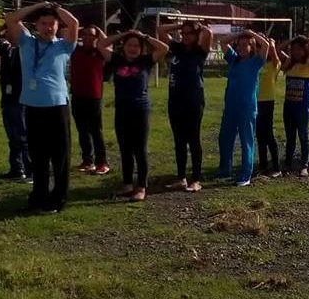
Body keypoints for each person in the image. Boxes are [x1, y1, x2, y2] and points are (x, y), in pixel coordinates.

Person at [5, 2, 78, 213]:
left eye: (52, 24)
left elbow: (73, 23)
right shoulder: (27, 43)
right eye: (44, 23)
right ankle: (39, 198)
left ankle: (58, 199)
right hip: (33, 107)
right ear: (36, 25)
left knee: (60, 157)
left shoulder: (64, 45)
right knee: (38, 157)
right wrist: (39, 6)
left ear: (57, 26)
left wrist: (56, 9)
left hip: (57, 107)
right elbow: (11, 19)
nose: (48, 27)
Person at [100, 29, 169, 202]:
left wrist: (144, 36)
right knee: (125, 150)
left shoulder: (146, 61)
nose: (133, 48)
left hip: (140, 110)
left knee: (140, 149)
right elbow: (101, 44)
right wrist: (123, 35)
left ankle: (141, 187)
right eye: (129, 45)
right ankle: (127, 184)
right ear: (123, 47)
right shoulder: (116, 60)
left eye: (136, 46)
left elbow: (164, 48)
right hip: (122, 111)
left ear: (141, 48)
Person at [157, 21, 213, 192]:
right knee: (179, 141)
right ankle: (181, 177)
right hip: (175, 100)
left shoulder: (200, 51)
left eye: (189, 33)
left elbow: (209, 33)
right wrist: (180, 25)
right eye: (184, 33)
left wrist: (197, 26)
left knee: (193, 139)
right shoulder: (176, 47)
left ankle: (196, 179)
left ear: (196, 35)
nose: (185, 36)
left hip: (193, 101)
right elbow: (160, 30)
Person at [217, 30, 269, 187]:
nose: (240, 47)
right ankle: (225, 170)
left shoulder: (256, 61)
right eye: (239, 45)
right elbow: (222, 42)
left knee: (246, 140)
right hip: (231, 106)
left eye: (245, 45)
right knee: (224, 138)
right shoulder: (233, 59)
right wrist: (240, 34)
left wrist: (251, 33)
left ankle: (246, 174)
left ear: (252, 46)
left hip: (247, 107)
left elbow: (265, 45)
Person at [0, 24, 30, 182]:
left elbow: (27, 34)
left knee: (23, 136)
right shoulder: (7, 48)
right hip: (8, 99)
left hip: (22, 98)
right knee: (13, 136)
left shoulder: (28, 47)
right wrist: (2, 26)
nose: (7, 34)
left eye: (10, 31)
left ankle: (28, 168)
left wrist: (17, 22)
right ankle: (16, 168)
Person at [70, 25, 112, 175]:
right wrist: (78, 28)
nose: (88, 37)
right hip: (77, 95)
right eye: (85, 34)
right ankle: (87, 160)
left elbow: (108, 44)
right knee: (82, 130)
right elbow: (65, 34)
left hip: (94, 97)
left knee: (96, 130)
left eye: (91, 35)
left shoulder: (99, 52)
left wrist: (98, 29)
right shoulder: (75, 49)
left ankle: (102, 162)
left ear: (96, 38)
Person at [278, 36, 309, 177]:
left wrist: (307, 40)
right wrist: (292, 40)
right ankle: (288, 163)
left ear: (304, 49)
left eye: (299, 49)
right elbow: (278, 49)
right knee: (290, 136)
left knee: (303, 135)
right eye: (293, 49)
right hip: (289, 105)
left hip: (303, 106)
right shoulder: (289, 63)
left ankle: (304, 165)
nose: (296, 52)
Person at [256, 37, 282, 177]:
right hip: (255, 101)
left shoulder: (273, 64)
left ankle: (277, 167)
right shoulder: (255, 63)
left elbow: (276, 57)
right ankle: (263, 165)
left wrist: (272, 45)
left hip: (267, 102)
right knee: (259, 135)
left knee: (268, 134)